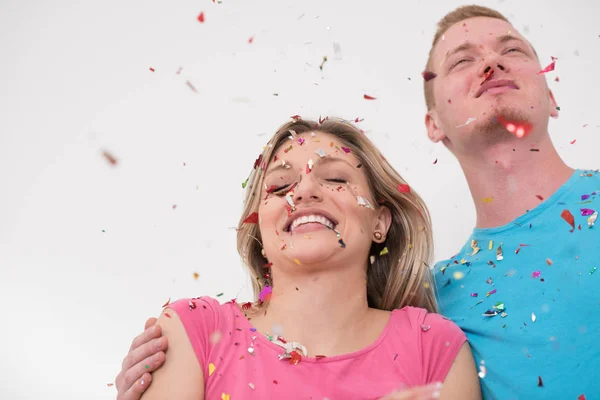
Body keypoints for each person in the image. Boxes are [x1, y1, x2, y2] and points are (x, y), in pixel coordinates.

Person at [114, 117, 481, 399]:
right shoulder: (193, 330)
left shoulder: (433, 347)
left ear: (380, 223)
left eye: (336, 178)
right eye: (279, 186)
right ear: (259, 230)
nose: (304, 191)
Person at [422, 5, 599, 399]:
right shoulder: (431, 302)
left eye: (513, 51)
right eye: (462, 60)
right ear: (434, 124)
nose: (491, 62)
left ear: (551, 97)